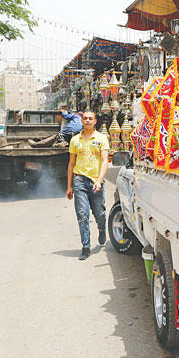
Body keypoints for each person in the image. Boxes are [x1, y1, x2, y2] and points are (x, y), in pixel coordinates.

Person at [66, 110, 109, 260]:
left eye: (91, 118)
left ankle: (102, 229)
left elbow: (105, 161)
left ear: (95, 121)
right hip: (79, 181)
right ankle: (85, 246)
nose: (88, 121)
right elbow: (71, 164)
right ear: (82, 121)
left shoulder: (102, 138)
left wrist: (99, 180)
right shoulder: (75, 140)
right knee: (82, 215)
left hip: (96, 181)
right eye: (85, 118)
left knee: (99, 213)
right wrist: (69, 186)